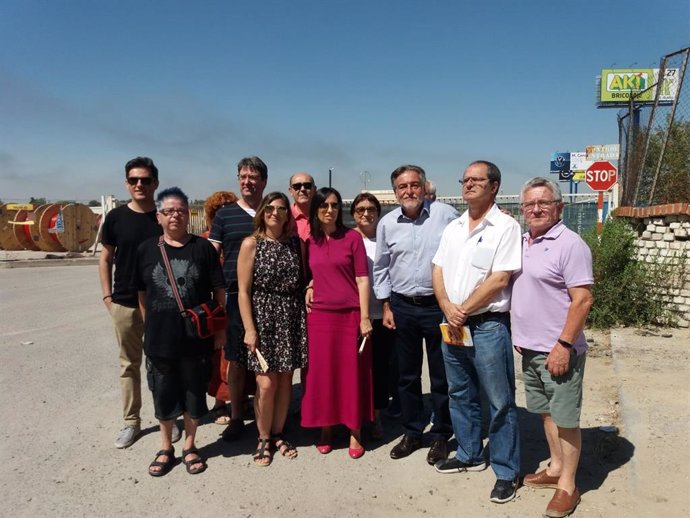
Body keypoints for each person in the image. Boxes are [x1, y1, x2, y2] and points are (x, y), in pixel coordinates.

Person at [431, 160, 522, 504]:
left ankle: (506, 470)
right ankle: (470, 453)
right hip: (453, 325)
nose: (468, 185)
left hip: (487, 327)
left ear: (494, 186)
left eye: (476, 180)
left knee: (499, 402)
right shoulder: (454, 226)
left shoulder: (506, 227)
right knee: (459, 392)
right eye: (465, 180)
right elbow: (437, 267)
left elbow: (500, 279)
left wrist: (463, 309)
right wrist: (446, 306)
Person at [511, 177, 593, 518]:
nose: (536, 209)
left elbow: (583, 298)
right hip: (530, 350)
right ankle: (556, 466)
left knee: (566, 418)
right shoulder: (522, 241)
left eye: (543, 203)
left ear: (559, 207)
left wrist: (563, 345)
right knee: (545, 413)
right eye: (529, 204)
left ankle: (568, 487)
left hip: (558, 350)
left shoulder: (570, 244)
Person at [133, 187, 225, 477]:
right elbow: (141, 293)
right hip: (160, 338)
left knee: (194, 393)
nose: (176, 216)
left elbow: (219, 292)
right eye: (169, 211)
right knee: (163, 393)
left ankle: (189, 445)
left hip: (195, 338)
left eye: (181, 211)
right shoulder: (146, 249)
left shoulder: (203, 248)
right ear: (159, 216)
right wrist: (151, 324)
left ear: (189, 215)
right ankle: (165, 446)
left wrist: (219, 330)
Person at [373, 165, 459, 465]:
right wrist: (385, 305)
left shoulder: (446, 215)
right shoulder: (386, 224)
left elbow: (461, 254)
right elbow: (381, 266)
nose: (408, 191)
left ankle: (440, 435)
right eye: (402, 187)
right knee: (407, 375)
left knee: (441, 375)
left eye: (413, 185)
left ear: (423, 188)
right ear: (395, 191)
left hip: (438, 306)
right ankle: (411, 432)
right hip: (402, 307)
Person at [99, 156, 180, 448]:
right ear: (126, 183)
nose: (139, 185)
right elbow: (106, 257)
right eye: (134, 180)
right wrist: (108, 296)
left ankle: (167, 417)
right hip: (124, 302)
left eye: (145, 180)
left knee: (162, 363)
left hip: (161, 304)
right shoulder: (116, 218)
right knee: (129, 365)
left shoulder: (162, 218)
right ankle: (131, 422)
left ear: (155, 183)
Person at [302, 187, 373, 459]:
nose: (329, 210)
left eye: (334, 205)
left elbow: (362, 279)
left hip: (350, 316)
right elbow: (311, 274)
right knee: (323, 375)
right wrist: (310, 286)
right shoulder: (311, 241)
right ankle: (326, 428)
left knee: (351, 375)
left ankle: (356, 431)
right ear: (316, 209)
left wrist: (365, 317)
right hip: (319, 317)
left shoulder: (352, 238)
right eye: (324, 205)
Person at [237, 192, 308, 466]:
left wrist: (311, 287)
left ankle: (278, 433)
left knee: (285, 380)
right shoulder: (250, 244)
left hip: (290, 316)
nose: (276, 212)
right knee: (265, 383)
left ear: (287, 214)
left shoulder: (296, 244)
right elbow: (243, 291)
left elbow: (305, 280)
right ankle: (263, 437)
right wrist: (249, 328)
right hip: (262, 318)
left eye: (281, 208)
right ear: (263, 212)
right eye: (270, 208)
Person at [208, 156, 268, 441]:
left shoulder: (273, 212)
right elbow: (211, 256)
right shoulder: (225, 215)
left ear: (263, 181)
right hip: (234, 296)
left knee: (265, 360)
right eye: (243, 176)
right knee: (236, 359)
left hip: (268, 299)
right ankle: (235, 416)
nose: (247, 181)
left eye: (253, 177)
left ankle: (262, 416)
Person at [351, 192, 397, 440]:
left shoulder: (385, 238)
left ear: (378, 213)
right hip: (355, 316)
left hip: (382, 315)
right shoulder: (347, 239)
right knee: (356, 370)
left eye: (370, 209)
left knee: (380, 369)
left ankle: (377, 416)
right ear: (353, 214)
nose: (366, 213)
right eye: (360, 209)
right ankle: (355, 415)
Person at [201, 191, 238, 426]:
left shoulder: (237, 236)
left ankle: (238, 398)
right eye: (219, 208)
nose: (223, 210)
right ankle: (220, 403)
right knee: (219, 357)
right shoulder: (206, 240)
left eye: (228, 206)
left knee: (238, 357)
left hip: (238, 301)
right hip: (216, 304)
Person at [288, 172, 316, 241]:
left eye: (307, 185)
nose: (302, 189)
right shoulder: (284, 216)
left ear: (315, 190)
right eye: (297, 186)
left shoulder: (324, 216)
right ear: (290, 191)